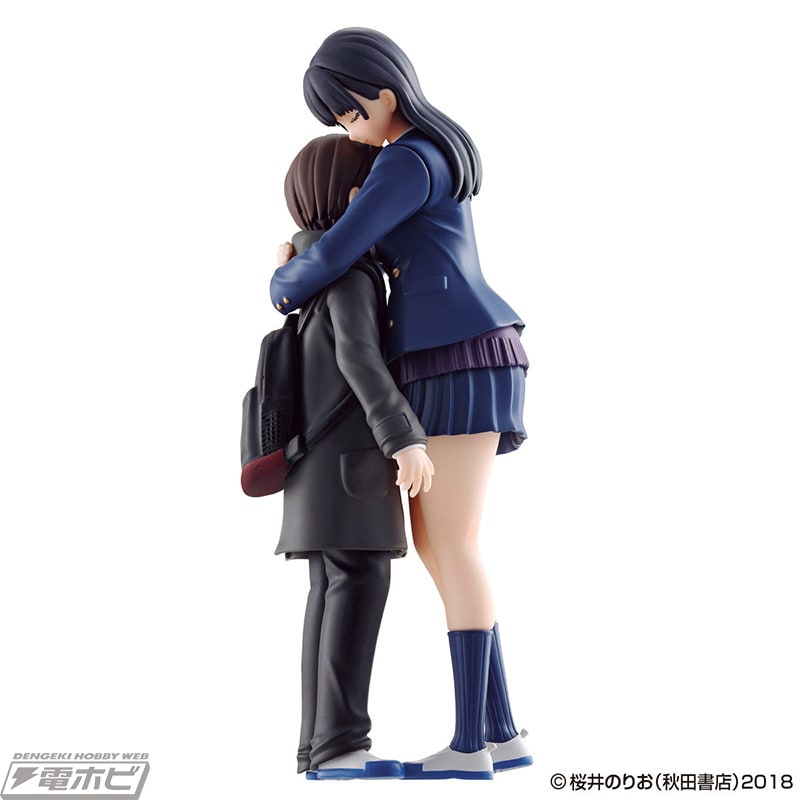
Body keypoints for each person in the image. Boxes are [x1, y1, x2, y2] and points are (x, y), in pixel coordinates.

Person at [270, 28, 532, 780]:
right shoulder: (424, 154)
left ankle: (471, 746)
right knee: (445, 546)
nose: (350, 131)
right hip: (450, 350)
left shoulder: (408, 158)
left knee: (451, 545)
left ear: (382, 92)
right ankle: (499, 732)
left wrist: (283, 281)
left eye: (350, 114)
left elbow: (338, 248)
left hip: (456, 350)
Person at [274, 133, 434, 781]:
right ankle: (341, 746)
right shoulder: (349, 274)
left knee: (329, 593)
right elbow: (360, 360)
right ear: (353, 197)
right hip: (350, 470)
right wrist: (405, 438)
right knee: (358, 586)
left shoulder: (306, 273)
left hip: (314, 470)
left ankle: (318, 747)